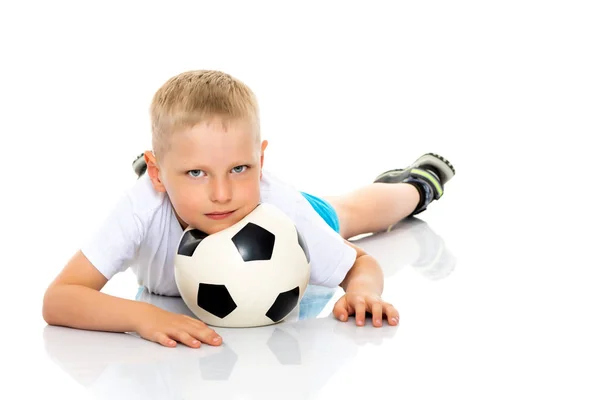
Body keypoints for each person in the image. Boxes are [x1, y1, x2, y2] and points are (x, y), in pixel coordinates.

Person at [42, 69, 455, 349]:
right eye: (197, 172)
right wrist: (140, 317)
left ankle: (415, 184)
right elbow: (59, 298)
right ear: (155, 175)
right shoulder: (142, 207)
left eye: (238, 167)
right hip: (206, 193)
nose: (222, 194)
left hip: (281, 214)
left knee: (351, 213)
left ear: (260, 159)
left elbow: (359, 264)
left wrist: (363, 291)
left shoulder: (276, 202)